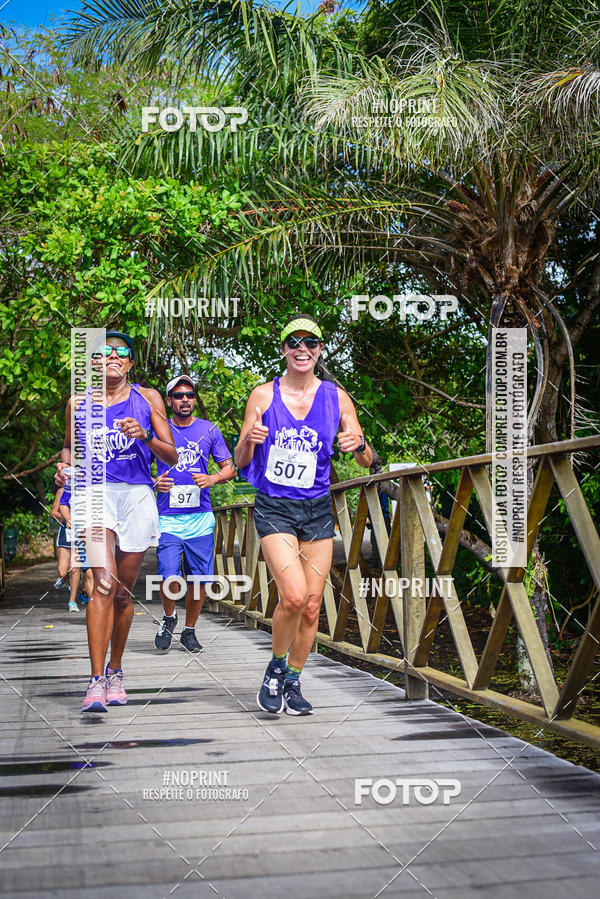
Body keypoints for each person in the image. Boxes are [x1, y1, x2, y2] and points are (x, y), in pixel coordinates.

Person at [235, 313, 372, 715]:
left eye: (310, 343)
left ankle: (293, 679)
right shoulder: (263, 395)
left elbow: (365, 460)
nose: (302, 349)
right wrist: (250, 440)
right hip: (275, 505)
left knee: (313, 604)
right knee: (293, 596)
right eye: (294, 342)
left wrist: (357, 442)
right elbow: (242, 458)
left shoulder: (336, 396)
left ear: (319, 351)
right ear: (283, 350)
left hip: (316, 509)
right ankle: (275, 669)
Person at [55, 330, 177, 713]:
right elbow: (69, 450)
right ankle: (94, 681)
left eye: (120, 352)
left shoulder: (149, 398)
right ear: (93, 362)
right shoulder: (78, 403)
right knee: (103, 584)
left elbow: (171, 455)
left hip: (136, 496)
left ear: (130, 363)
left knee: (123, 593)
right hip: (93, 493)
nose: (112, 356)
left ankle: (116, 669)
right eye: (103, 351)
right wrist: (62, 472)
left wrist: (144, 437)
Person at [153, 374, 236, 653]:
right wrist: (154, 483)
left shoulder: (209, 429)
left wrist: (212, 479)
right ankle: (168, 618)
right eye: (178, 395)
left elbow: (230, 468)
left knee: (199, 580)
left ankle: (189, 631)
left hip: (200, 518)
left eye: (189, 394)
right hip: (167, 518)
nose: (185, 399)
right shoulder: (158, 431)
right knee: (167, 575)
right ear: (169, 401)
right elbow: (138, 469)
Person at [50, 484, 82, 611]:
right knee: (63, 571)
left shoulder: (87, 490)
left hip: (80, 534)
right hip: (66, 532)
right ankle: (63, 579)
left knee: (75, 568)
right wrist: (68, 518)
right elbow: (53, 512)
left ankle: (72, 601)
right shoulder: (62, 491)